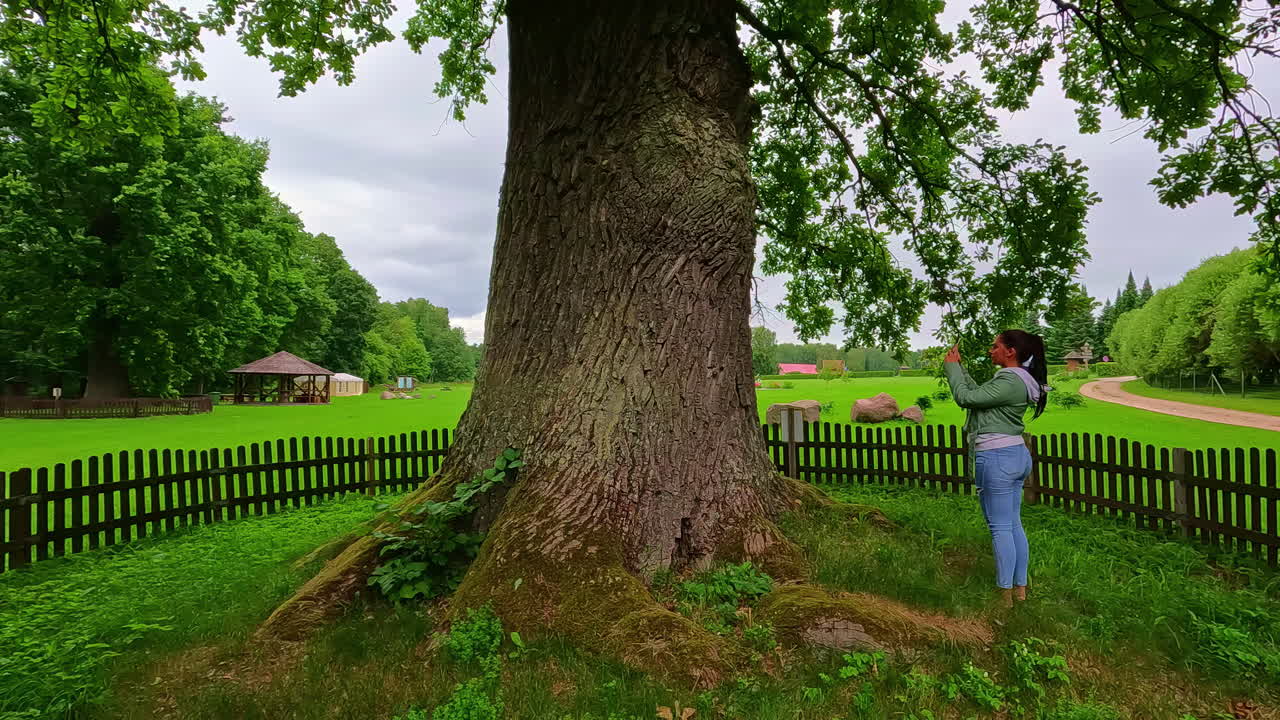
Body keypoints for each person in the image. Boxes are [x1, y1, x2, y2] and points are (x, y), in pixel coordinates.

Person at [943, 330, 1050, 608]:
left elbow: (965, 398)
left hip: (997, 456)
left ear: (1010, 351)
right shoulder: (1018, 380)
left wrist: (951, 369)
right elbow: (977, 395)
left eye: (995, 346)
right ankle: (1019, 590)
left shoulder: (1010, 380)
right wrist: (960, 369)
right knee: (1013, 524)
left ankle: (1004, 598)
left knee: (1001, 528)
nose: (991, 351)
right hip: (1014, 454)